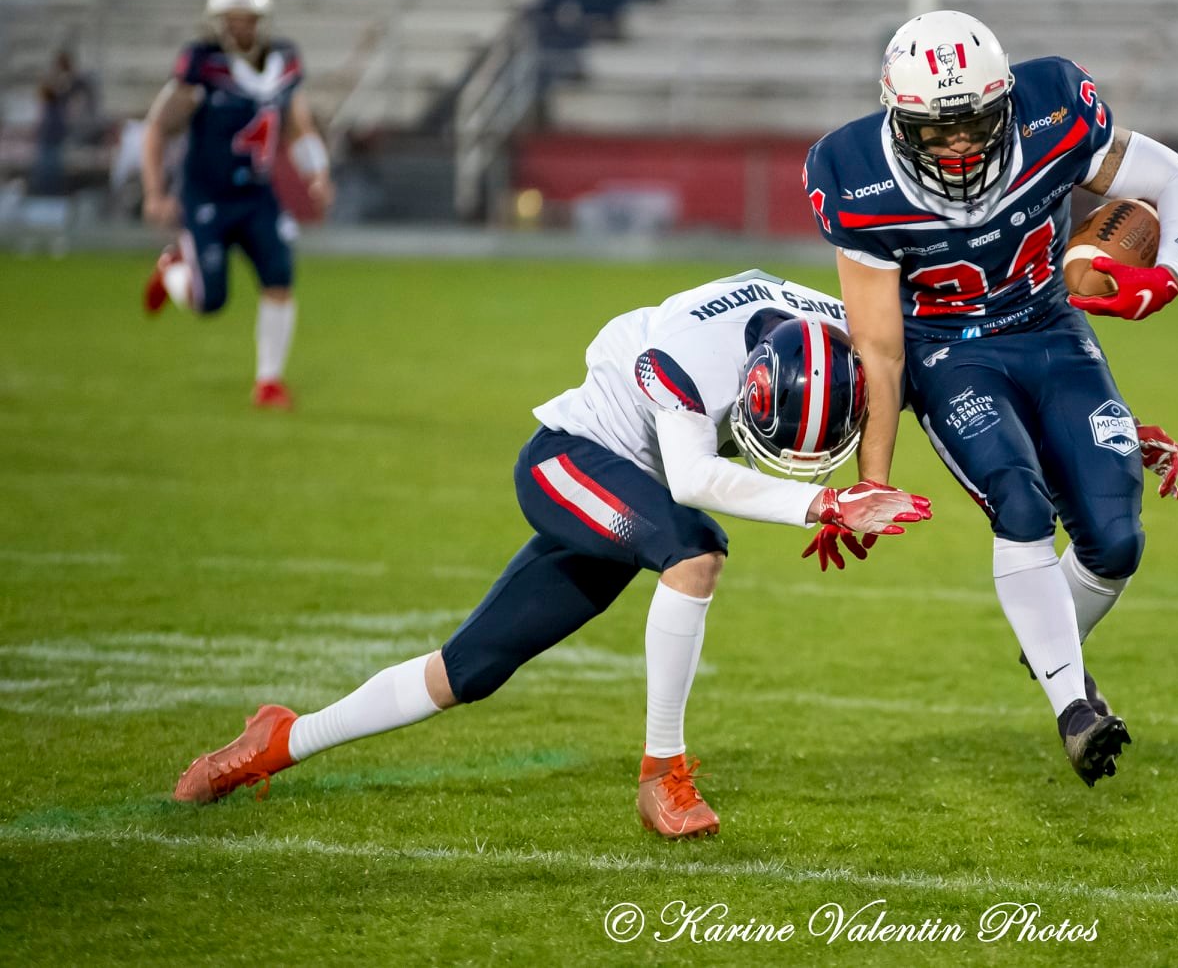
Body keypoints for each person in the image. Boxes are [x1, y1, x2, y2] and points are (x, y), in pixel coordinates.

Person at [171, 270, 933, 839]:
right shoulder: (681, 358)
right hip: (568, 461)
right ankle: (660, 773)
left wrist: (867, 481)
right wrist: (824, 502)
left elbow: (914, 351)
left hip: (630, 487)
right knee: (696, 549)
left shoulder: (843, 331)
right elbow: (696, 478)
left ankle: (279, 739)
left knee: (466, 670)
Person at [803, 10, 1178, 786]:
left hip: (1049, 328)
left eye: (973, 125)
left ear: (1007, 105)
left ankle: (1048, 643)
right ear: (898, 118)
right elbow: (881, 350)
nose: (956, 147)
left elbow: (1176, 181)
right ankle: (1073, 705)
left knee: (1116, 540)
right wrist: (874, 476)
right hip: (948, 354)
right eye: (935, 131)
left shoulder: (1054, 106)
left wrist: (1169, 275)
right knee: (1018, 500)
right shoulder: (854, 172)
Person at [140, 0, 333, 410]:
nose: (240, 27)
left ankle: (268, 381)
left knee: (280, 276)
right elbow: (157, 126)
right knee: (210, 301)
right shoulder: (202, 66)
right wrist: (154, 191)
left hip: (257, 196)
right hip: (207, 194)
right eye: (231, 19)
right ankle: (172, 267)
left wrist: (317, 173)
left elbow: (296, 124)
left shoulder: (283, 61)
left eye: (248, 19)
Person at [31, 49, 94, 196]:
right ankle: (44, 192)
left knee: (55, 165)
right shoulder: (52, 82)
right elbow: (46, 96)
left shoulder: (71, 82)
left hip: (58, 132)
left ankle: (53, 192)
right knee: (46, 165)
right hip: (48, 132)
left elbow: (83, 89)